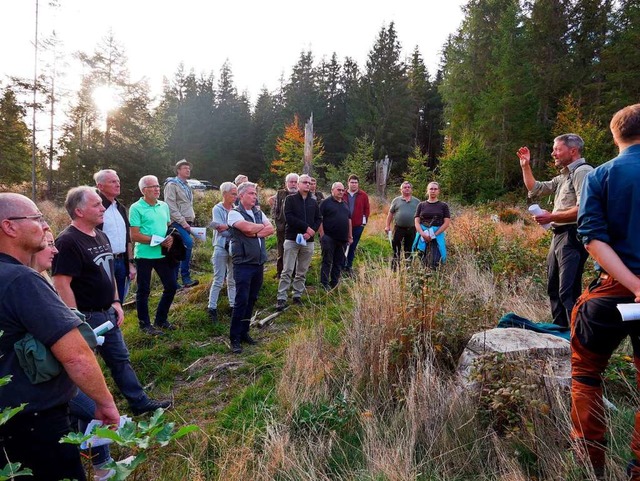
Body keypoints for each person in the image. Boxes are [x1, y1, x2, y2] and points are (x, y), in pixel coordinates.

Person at [0, 193, 119, 481]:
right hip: (36, 422)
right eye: (37, 218)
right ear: (9, 227)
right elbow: (75, 354)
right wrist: (104, 403)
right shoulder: (22, 281)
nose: (44, 225)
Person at [52, 186, 171, 416]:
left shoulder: (101, 234)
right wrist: (75, 320)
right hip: (86, 316)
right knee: (85, 369)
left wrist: (116, 302)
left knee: (120, 360)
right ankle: (85, 416)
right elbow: (61, 283)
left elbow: (109, 273)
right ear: (79, 211)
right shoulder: (67, 241)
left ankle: (139, 403)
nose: (102, 208)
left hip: (108, 312)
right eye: (96, 204)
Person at [571, 104, 640, 479]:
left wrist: (633, 285)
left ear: (616, 136)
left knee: (585, 373)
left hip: (611, 292)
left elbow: (592, 236)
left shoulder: (601, 175)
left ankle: (590, 465)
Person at [31, 230, 115, 481]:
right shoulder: (28, 286)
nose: (55, 251)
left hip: (57, 374)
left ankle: (100, 464)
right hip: (50, 377)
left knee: (87, 413)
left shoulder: (40, 279)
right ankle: (103, 469)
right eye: (48, 245)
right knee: (94, 409)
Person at [517, 134, 593, 327]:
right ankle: (560, 330)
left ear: (573, 151)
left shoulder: (583, 172)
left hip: (573, 236)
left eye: (557, 149)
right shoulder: (563, 176)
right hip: (558, 236)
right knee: (554, 287)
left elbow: (583, 208)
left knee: (568, 290)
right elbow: (536, 188)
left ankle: (575, 336)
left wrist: (551, 217)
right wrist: (525, 166)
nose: (553, 154)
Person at [227, 182, 274, 354]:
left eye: (255, 193)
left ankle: (244, 332)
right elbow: (245, 227)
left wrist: (254, 231)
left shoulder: (257, 212)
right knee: (241, 300)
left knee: (252, 298)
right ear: (241, 196)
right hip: (243, 264)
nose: (255, 196)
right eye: (251, 193)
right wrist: (256, 229)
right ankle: (234, 338)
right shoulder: (233, 213)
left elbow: (271, 229)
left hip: (258, 263)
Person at [129, 175, 180, 335]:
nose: (157, 189)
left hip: (162, 255)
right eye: (153, 187)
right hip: (144, 256)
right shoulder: (136, 208)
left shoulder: (163, 206)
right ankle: (145, 324)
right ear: (144, 190)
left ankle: (161, 320)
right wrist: (158, 241)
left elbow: (167, 227)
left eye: (158, 186)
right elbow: (134, 236)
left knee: (171, 286)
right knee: (143, 290)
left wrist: (171, 237)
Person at [276, 174, 322, 310]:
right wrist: (306, 228)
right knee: (287, 269)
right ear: (298, 184)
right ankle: (281, 297)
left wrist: (311, 231)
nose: (308, 185)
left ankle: (297, 295)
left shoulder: (313, 201)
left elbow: (318, 218)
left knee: (302, 270)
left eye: (309, 183)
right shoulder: (290, 200)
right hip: (292, 238)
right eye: (305, 182)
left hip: (309, 240)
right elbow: (289, 217)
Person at [95, 168, 136, 302]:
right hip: (102, 263)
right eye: (112, 182)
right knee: (104, 302)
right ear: (100, 186)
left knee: (119, 304)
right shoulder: (95, 208)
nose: (117, 184)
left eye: (118, 181)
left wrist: (130, 264)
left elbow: (127, 239)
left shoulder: (121, 208)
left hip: (121, 262)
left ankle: (117, 324)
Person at [164, 159, 199, 288]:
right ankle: (183, 277)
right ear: (178, 170)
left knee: (178, 248)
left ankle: (176, 280)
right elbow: (171, 206)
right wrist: (183, 222)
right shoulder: (172, 185)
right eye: (185, 168)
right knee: (187, 243)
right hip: (177, 222)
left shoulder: (186, 185)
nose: (188, 170)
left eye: (188, 168)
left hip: (186, 221)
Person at [207, 181, 238, 323]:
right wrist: (233, 228)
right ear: (224, 194)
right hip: (220, 247)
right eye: (233, 193)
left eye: (236, 193)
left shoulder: (236, 209)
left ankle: (233, 306)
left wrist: (227, 227)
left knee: (232, 279)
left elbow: (224, 228)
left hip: (234, 247)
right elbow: (220, 229)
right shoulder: (217, 208)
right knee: (218, 279)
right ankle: (211, 308)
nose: (235, 196)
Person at [318, 182, 353, 290]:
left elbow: (349, 220)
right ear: (332, 190)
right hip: (329, 237)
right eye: (339, 190)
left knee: (339, 262)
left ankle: (334, 282)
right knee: (327, 261)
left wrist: (350, 236)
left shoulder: (345, 204)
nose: (341, 192)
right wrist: (322, 235)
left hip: (342, 239)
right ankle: (324, 283)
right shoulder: (325, 203)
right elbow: (319, 219)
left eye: (343, 190)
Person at [414, 182, 451, 268]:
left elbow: (446, 222)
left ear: (439, 191)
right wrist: (422, 234)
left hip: (437, 235)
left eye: (435, 189)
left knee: (436, 260)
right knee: (422, 257)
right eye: (431, 189)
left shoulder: (443, 206)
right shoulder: (421, 205)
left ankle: (434, 278)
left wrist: (434, 234)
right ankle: (423, 278)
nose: (433, 191)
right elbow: (416, 221)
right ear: (427, 191)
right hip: (422, 235)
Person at [269, 172, 298, 278]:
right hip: (282, 228)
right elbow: (274, 210)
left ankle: (294, 274)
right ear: (286, 183)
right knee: (281, 251)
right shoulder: (279, 194)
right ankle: (280, 273)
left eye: (295, 182)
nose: (293, 184)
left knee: (295, 251)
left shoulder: (300, 195)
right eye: (291, 182)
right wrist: (278, 221)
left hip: (296, 229)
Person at [385, 181, 420, 269]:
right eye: (405, 187)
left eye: (408, 187)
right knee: (396, 247)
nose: (407, 188)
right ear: (401, 190)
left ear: (411, 189)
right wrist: (387, 226)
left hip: (412, 229)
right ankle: (395, 267)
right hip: (399, 228)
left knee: (409, 248)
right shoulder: (396, 200)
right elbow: (390, 214)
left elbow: (420, 216)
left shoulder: (417, 201)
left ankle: (408, 267)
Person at [343, 174, 370, 275]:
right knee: (343, 245)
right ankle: (341, 265)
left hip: (357, 225)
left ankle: (349, 266)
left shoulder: (363, 195)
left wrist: (364, 222)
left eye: (355, 182)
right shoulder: (343, 193)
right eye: (352, 182)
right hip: (344, 225)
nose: (354, 184)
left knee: (353, 246)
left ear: (358, 184)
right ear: (348, 183)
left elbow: (367, 209)